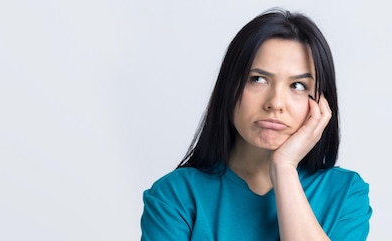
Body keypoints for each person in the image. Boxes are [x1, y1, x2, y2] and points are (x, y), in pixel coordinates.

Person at [140, 7, 373, 241]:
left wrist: (284, 167)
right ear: (229, 88)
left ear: (321, 103)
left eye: (298, 86)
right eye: (258, 79)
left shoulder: (345, 193)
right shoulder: (175, 196)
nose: (275, 103)